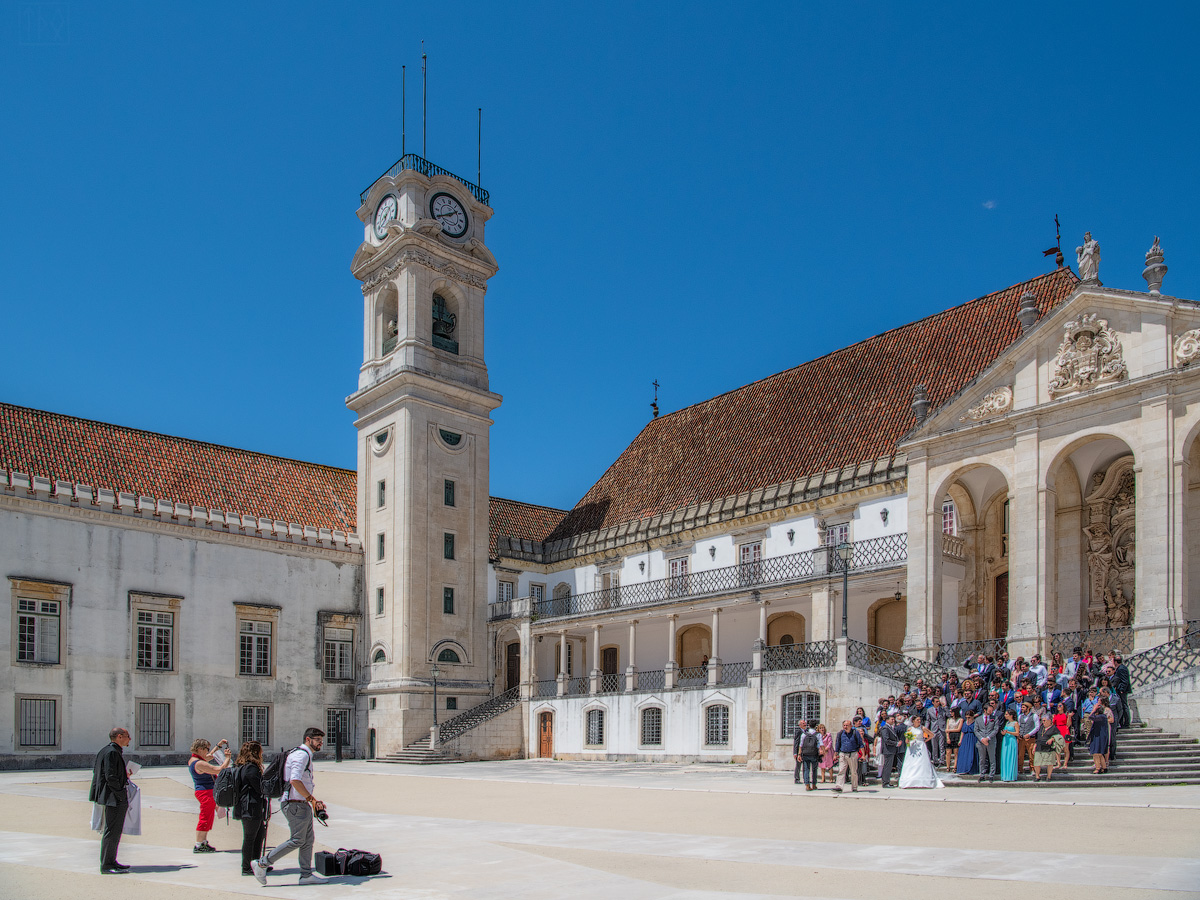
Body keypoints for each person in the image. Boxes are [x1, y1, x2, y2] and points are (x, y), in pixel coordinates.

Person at [252, 727, 326, 886]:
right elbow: (295, 780)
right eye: (317, 740)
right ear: (308, 739)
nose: (321, 743)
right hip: (295, 804)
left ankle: (306, 875)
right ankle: (262, 863)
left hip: (299, 803)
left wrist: (310, 801)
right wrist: (312, 800)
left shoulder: (300, 753)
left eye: (321, 740)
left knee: (307, 840)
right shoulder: (302, 755)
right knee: (298, 839)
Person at [89, 726, 131, 874]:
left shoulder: (107, 750)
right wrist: (120, 795)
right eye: (127, 736)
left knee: (114, 830)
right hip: (113, 798)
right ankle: (107, 865)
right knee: (112, 831)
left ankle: (111, 860)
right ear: (119, 736)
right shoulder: (112, 752)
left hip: (110, 796)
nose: (129, 739)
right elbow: (110, 776)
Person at [233, 741, 272, 876]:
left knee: (258, 836)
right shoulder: (251, 768)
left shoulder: (241, 766)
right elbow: (259, 787)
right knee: (250, 837)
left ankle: (257, 864)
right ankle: (246, 867)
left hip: (248, 807)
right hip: (251, 807)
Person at [188, 738, 231, 852]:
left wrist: (218, 746)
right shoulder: (199, 763)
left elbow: (210, 755)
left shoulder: (194, 759)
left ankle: (203, 842)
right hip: (205, 792)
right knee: (205, 818)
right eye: (206, 748)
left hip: (205, 791)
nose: (208, 751)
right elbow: (219, 769)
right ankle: (199, 844)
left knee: (208, 817)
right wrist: (227, 758)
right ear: (200, 749)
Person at [898, 714, 943, 789]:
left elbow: (932, 735)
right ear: (913, 721)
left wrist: (925, 740)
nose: (919, 721)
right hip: (912, 747)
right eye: (917, 720)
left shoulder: (922, 728)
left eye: (919, 720)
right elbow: (907, 740)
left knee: (922, 762)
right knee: (911, 763)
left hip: (921, 745)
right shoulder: (910, 729)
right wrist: (909, 741)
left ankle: (924, 781)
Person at [831, 719, 863, 793]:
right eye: (844, 725)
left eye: (847, 725)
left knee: (853, 771)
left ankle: (854, 787)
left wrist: (863, 755)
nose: (845, 727)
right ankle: (839, 786)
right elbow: (837, 744)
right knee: (841, 770)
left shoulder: (855, 733)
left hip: (852, 754)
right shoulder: (840, 733)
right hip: (843, 753)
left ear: (851, 726)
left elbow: (861, 744)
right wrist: (835, 755)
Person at [975, 701, 1001, 783]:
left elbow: (996, 729)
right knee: (982, 759)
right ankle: (982, 774)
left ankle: (991, 775)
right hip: (981, 741)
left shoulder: (995, 718)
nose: (991, 712)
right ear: (985, 710)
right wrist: (982, 738)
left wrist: (988, 738)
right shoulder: (978, 719)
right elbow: (976, 730)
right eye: (989, 710)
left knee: (992, 758)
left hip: (991, 741)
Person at [1032, 714, 1061, 782]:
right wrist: (1034, 746)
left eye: (1044, 720)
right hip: (1039, 747)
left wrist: (1052, 739)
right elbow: (1038, 738)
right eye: (1042, 720)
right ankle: (1037, 776)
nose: (1043, 722)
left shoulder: (1054, 728)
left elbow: (1059, 737)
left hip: (1049, 748)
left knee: (1049, 763)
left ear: (1049, 720)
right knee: (1036, 762)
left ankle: (1049, 776)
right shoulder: (1041, 728)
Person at [877, 713, 902, 788]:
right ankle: (885, 782)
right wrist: (896, 743)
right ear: (887, 720)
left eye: (894, 719)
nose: (893, 720)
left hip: (891, 750)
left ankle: (887, 781)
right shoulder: (885, 728)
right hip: (888, 750)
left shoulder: (891, 727)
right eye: (892, 719)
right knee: (887, 766)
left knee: (888, 766)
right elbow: (886, 739)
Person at [796, 721, 821, 791]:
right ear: (815, 726)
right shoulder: (817, 734)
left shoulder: (804, 734)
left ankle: (807, 785)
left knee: (806, 769)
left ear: (809, 726)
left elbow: (800, 745)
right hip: (814, 754)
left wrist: (799, 754)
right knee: (814, 770)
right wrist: (823, 752)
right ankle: (814, 785)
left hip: (805, 754)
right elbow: (820, 744)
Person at [1017, 701, 1038, 776]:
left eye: (1023, 707)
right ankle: (1020, 769)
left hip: (1030, 738)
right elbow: (1019, 726)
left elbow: (1037, 727)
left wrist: (1029, 734)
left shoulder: (1034, 716)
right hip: (1022, 738)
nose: (1022, 708)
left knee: (1031, 754)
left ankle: (1032, 769)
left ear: (1028, 708)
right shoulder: (1020, 716)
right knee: (1020, 755)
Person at [1089, 702, 1111, 774]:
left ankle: (1098, 768)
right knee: (1099, 753)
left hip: (1099, 737)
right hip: (1098, 736)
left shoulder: (1101, 716)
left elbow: (1091, 717)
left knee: (1096, 753)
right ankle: (1104, 767)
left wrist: (1094, 709)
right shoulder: (1102, 717)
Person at [1111, 655, 1132, 727]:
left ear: (1115, 661)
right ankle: (1122, 722)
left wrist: (1122, 689)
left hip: (1122, 690)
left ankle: (1126, 723)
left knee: (1124, 705)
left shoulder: (1121, 669)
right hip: (1121, 689)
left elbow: (1124, 680)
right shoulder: (1120, 668)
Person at [999, 709, 1019, 782]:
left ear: (1011, 715)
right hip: (1006, 740)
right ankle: (1005, 775)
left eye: (1007, 714)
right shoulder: (1007, 723)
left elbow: (1017, 733)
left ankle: (1011, 775)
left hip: (1012, 740)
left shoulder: (1015, 723)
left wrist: (1009, 732)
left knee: (1011, 757)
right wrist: (1004, 733)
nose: (1005, 716)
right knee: (1005, 757)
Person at [927, 697, 948, 767]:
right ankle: (935, 760)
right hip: (934, 729)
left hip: (941, 728)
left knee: (941, 746)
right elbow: (928, 720)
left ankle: (942, 760)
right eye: (936, 701)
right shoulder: (929, 710)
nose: (938, 703)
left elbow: (948, 715)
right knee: (934, 746)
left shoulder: (942, 709)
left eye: (938, 701)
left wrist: (945, 707)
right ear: (933, 702)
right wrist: (926, 730)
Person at [791, 719, 812, 785]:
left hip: (806, 751)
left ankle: (805, 778)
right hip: (799, 751)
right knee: (798, 765)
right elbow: (796, 742)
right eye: (803, 723)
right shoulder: (798, 732)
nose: (805, 724)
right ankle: (797, 779)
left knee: (806, 766)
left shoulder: (808, 731)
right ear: (800, 725)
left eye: (805, 723)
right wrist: (795, 752)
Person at [1053, 702, 1072, 767]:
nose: (1059, 707)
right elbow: (1053, 724)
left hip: (1065, 730)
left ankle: (1065, 763)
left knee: (1066, 749)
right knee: (1058, 749)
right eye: (1058, 706)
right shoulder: (1055, 715)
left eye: (1060, 705)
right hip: (1058, 731)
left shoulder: (1066, 714)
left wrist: (1069, 717)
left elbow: (1068, 724)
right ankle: (1058, 763)